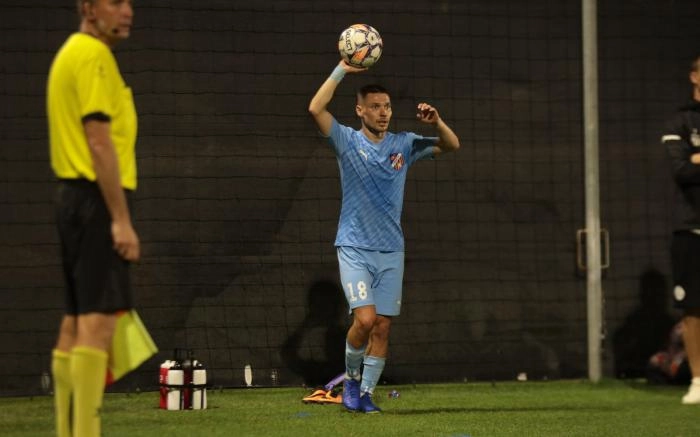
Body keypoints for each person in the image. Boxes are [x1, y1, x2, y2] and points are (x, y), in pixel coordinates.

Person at [308, 60, 460, 413]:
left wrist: (437, 122)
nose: (383, 113)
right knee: (364, 320)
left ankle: (366, 395)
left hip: (391, 250)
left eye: (387, 106)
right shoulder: (346, 140)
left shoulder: (403, 144)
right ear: (360, 110)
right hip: (354, 247)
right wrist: (342, 69)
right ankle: (350, 381)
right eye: (375, 107)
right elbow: (316, 108)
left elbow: (452, 145)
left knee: (382, 327)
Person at [47, 1, 138, 435]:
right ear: (87, 7)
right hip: (95, 201)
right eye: (115, 2)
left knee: (76, 321)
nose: (127, 11)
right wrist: (120, 218)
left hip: (72, 200)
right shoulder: (93, 55)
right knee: (99, 324)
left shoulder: (71, 52)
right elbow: (98, 140)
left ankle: (68, 430)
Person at [661, 54, 700, 405]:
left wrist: (697, 158)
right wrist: (691, 162)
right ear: (694, 76)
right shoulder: (681, 120)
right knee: (692, 308)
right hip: (691, 228)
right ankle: (698, 381)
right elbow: (682, 171)